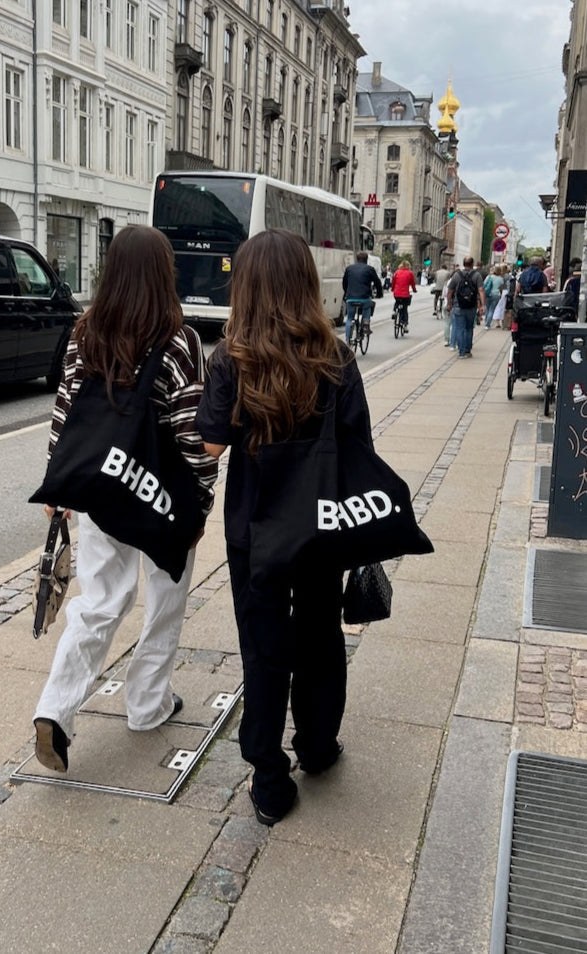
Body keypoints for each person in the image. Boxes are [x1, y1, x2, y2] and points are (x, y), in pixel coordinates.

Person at [195, 229, 373, 826]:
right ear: (304, 283)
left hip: (254, 530)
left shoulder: (229, 359)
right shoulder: (336, 357)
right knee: (321, 635)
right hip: (321, 526)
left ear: (243, 286)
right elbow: (359, 448)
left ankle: (268, 778)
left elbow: (212, 445)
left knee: (263, 649)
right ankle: (318, 748)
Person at [32, 225, 217, 773]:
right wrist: (200, 504)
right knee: (165, 600)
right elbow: (190, 431)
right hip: (158, 493)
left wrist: (58, 483)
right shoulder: (177, 337)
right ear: (165, 274)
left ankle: (55, 708)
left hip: (102, 488)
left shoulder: (85, 330)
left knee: (99, 602)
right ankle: (146, 704)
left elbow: (67, 411)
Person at [446, 256, 485, 358]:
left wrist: (449, 304)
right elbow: (481, 290)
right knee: (469, 328)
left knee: (459, 328)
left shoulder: (456, 275)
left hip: (458, 305)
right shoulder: (477, 275)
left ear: (464, 264)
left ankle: (461, 352)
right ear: (472, 264)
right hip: (471, 306)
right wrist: (482, 305)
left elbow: (449, 291)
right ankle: (467, 350)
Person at [342, 251, 383, 345]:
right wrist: (379, 294)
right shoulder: (370, 269)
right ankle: (365, 323)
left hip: (350, 298)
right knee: (368, 306)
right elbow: (377, 282)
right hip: (364, 297)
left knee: (349, 318)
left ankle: (347, 340)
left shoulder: (349, 269)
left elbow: (344, 283)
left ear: (356, 259)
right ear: (366, 259)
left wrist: (346, 292)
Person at [391, 260, 417, 331]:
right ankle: (405, 324)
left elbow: (393, 282)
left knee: (397, 302)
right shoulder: (410, 273)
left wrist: (392, 289)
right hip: (405, 294)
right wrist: (414, 290)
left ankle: (394, 311)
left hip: (396, 293)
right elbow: (412, 283)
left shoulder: (396, 272)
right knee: (404, 308)